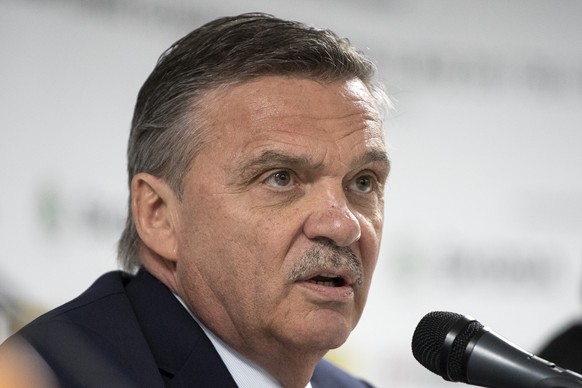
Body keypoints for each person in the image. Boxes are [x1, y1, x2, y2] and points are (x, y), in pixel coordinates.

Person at [0, 12, 391, 387]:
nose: (343, 225)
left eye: (362, 183)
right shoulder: (54, 376)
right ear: (159, 216)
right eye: (280, 178)